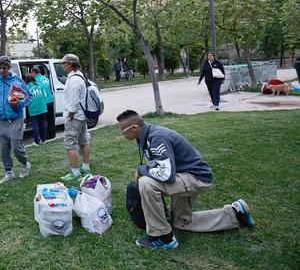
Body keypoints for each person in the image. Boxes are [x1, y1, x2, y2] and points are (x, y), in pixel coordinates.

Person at [117, 110, 255, 249]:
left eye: (123, 131)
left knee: (146, 183)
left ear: (134, 128)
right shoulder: (146, 135)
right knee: (181, 222)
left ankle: (163, 237)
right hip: (183, 175)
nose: (122, 134)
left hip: (195, 178)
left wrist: (141, 170)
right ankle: (235, 213)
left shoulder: (157, 137)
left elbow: (166, 175)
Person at [0, 56, 32, 184]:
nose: (1, 71)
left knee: (16, 146)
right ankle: (9, 172)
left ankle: (24, 164)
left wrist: (18, 104)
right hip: (1, 120)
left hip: (16, 118)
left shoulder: (17, 81)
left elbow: (29, 97)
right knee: (4, 147)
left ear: (9, 68)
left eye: (4, 68)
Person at [59, 54, 92, 182]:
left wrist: (70, 116)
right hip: (82, 116)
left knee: (70, 143)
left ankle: (74, 172)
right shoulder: (80, 76)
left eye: (64, 63)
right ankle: (85, 167)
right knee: (83, 140)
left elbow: (73, 102)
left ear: (70, 64)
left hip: (75, 117)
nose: (63, 65)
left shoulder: (73, 80)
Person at [32, 67, 55, 140]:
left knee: (43, 120)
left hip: (44, 102)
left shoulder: (36, 80)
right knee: (51, 119)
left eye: (31, 73)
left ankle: (45, 136)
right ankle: (52, 135)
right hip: (51, 100)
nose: (31, 74)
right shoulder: (46, 79)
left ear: (34, 72)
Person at [24, 73, 47, 146]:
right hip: (42, 106)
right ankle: (44, 139)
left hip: (33, 108)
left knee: (35, 125)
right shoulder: (39, 84)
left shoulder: (26, 87)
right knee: (42, 124)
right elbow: (45, 95)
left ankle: (37, 141)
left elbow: (25, 98)